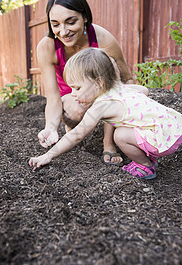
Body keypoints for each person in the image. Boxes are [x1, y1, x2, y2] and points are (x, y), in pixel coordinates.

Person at [29, 48, 182, 179]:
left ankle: (145, 166)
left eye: (77, 88)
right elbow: (144, 90)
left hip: (161, 139)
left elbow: (77, 134)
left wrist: (48, 155)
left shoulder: (101, 106)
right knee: (126, 130)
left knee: (120, 135)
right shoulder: (120, 89)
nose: (73, 94)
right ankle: (147, 151)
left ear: (99, 83)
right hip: (172, 127)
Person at [36, 0, 134, 166]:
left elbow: (125, 80)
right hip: (72, 98)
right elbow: (53, 97)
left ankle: (108, 142)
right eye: (55, 24)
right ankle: (72, 128)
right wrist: (50, 127)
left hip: (104, 93)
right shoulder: (47, 47)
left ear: (85, 17)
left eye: (71, 21)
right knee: (77, 109)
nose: (63, 31)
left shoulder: (102, 39)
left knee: (116, 89)